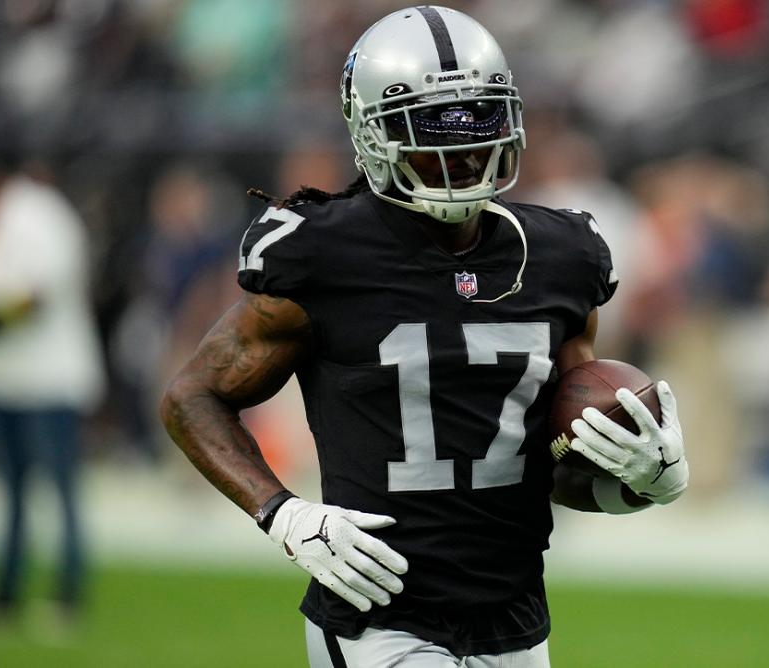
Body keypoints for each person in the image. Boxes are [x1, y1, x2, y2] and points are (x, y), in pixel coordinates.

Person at [160, 7, 689, 667]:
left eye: (480, 119)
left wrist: (641, 481)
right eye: (433, 126)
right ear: (373, 133)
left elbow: (550, 466)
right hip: (378, 618)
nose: (461, 149)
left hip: (516, 622)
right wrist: (283, 513)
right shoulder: (325, 255)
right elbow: (191, 396)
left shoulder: (561, 258)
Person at [0, 160, 105, 635]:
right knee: (10, 494)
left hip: (51, 378)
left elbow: (39, 294)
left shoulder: (38, 214)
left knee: (61, 489)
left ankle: (69, 593)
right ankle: (6, 594)